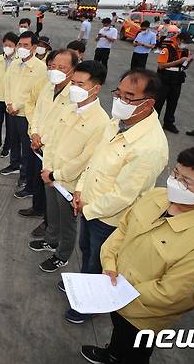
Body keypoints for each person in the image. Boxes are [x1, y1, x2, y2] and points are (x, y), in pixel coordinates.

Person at [81, 144, 194, 364]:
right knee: (119, 335)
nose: (175, 183)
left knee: (135, 352)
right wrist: (109, 265)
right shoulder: (157, 196)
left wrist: (117, 294)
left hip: (143, 315)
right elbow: (123, 230)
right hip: (113, 290)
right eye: (175, 173)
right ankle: (112, 353)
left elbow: (171, 296)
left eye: (186, 181)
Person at [65, 69, 169, 324]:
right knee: (86, 248)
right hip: (88, 203)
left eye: (129, 96)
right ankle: (82, 284)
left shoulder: (150, 146)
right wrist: (79, 189)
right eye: (119, 93)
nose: (120, 100)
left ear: (149, 103)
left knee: (99, 260)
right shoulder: (119, 121)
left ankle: (87, 306)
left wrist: (87, 208)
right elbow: (96, 160)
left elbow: (124, 196)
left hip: (110, 219)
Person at [28, 61, 110, 273]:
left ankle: (62, 255)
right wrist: (48, 170)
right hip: (50, 174)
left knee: (68, 222)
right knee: (52, 213)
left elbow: (85, 160)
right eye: (73, 82)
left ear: (96, 88)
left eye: (80, 84)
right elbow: (53, 139)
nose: (73, 88)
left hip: (68, 182)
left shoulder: (101, 122)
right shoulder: (71, 108)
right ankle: (51, 240)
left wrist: (56, 174)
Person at [20, 50, 79, 215]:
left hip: (55, 151)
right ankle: (37, 208)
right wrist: (34, 133)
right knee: (37, 181)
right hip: (37, 144)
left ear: (74, 70)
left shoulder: (74, 96)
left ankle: (48, 224)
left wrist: (43, 140)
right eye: (53, 66)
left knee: (52, 191)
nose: (56, 71)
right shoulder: (48, 86)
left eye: (62, 67)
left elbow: (64, 127)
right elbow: (38, 112)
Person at [0, 31, 47, 186]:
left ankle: (25, 175)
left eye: (26, 45)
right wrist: (8, 103)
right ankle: (14, 164)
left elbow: (33, 94)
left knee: (26, 147)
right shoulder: (14, 63)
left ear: (34, 47)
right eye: (20, 44)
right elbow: (7, 84)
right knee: (13, 140)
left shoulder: (40, 68)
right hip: (11, 110)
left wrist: (16, 105)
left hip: (25, 114)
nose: (21, 47)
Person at [154, 30, 194, 134]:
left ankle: (168, 123)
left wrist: (189, 62)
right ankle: (153, 123)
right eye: (185, 42)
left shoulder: (185, 51)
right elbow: (161, 66)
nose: (186, 45)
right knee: (159, 102)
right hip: (164, 79)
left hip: (177, 79)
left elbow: (184, 67)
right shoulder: (167, 49)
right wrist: (179, 61)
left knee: (173, 102)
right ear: (179, 39)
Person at [0, 32, 18, 157]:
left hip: (11, 100)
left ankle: (7, 146)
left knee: (10, 126)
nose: (7, 48)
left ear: (16, 46)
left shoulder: (19, 61)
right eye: (5, 45)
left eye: (10, 45)